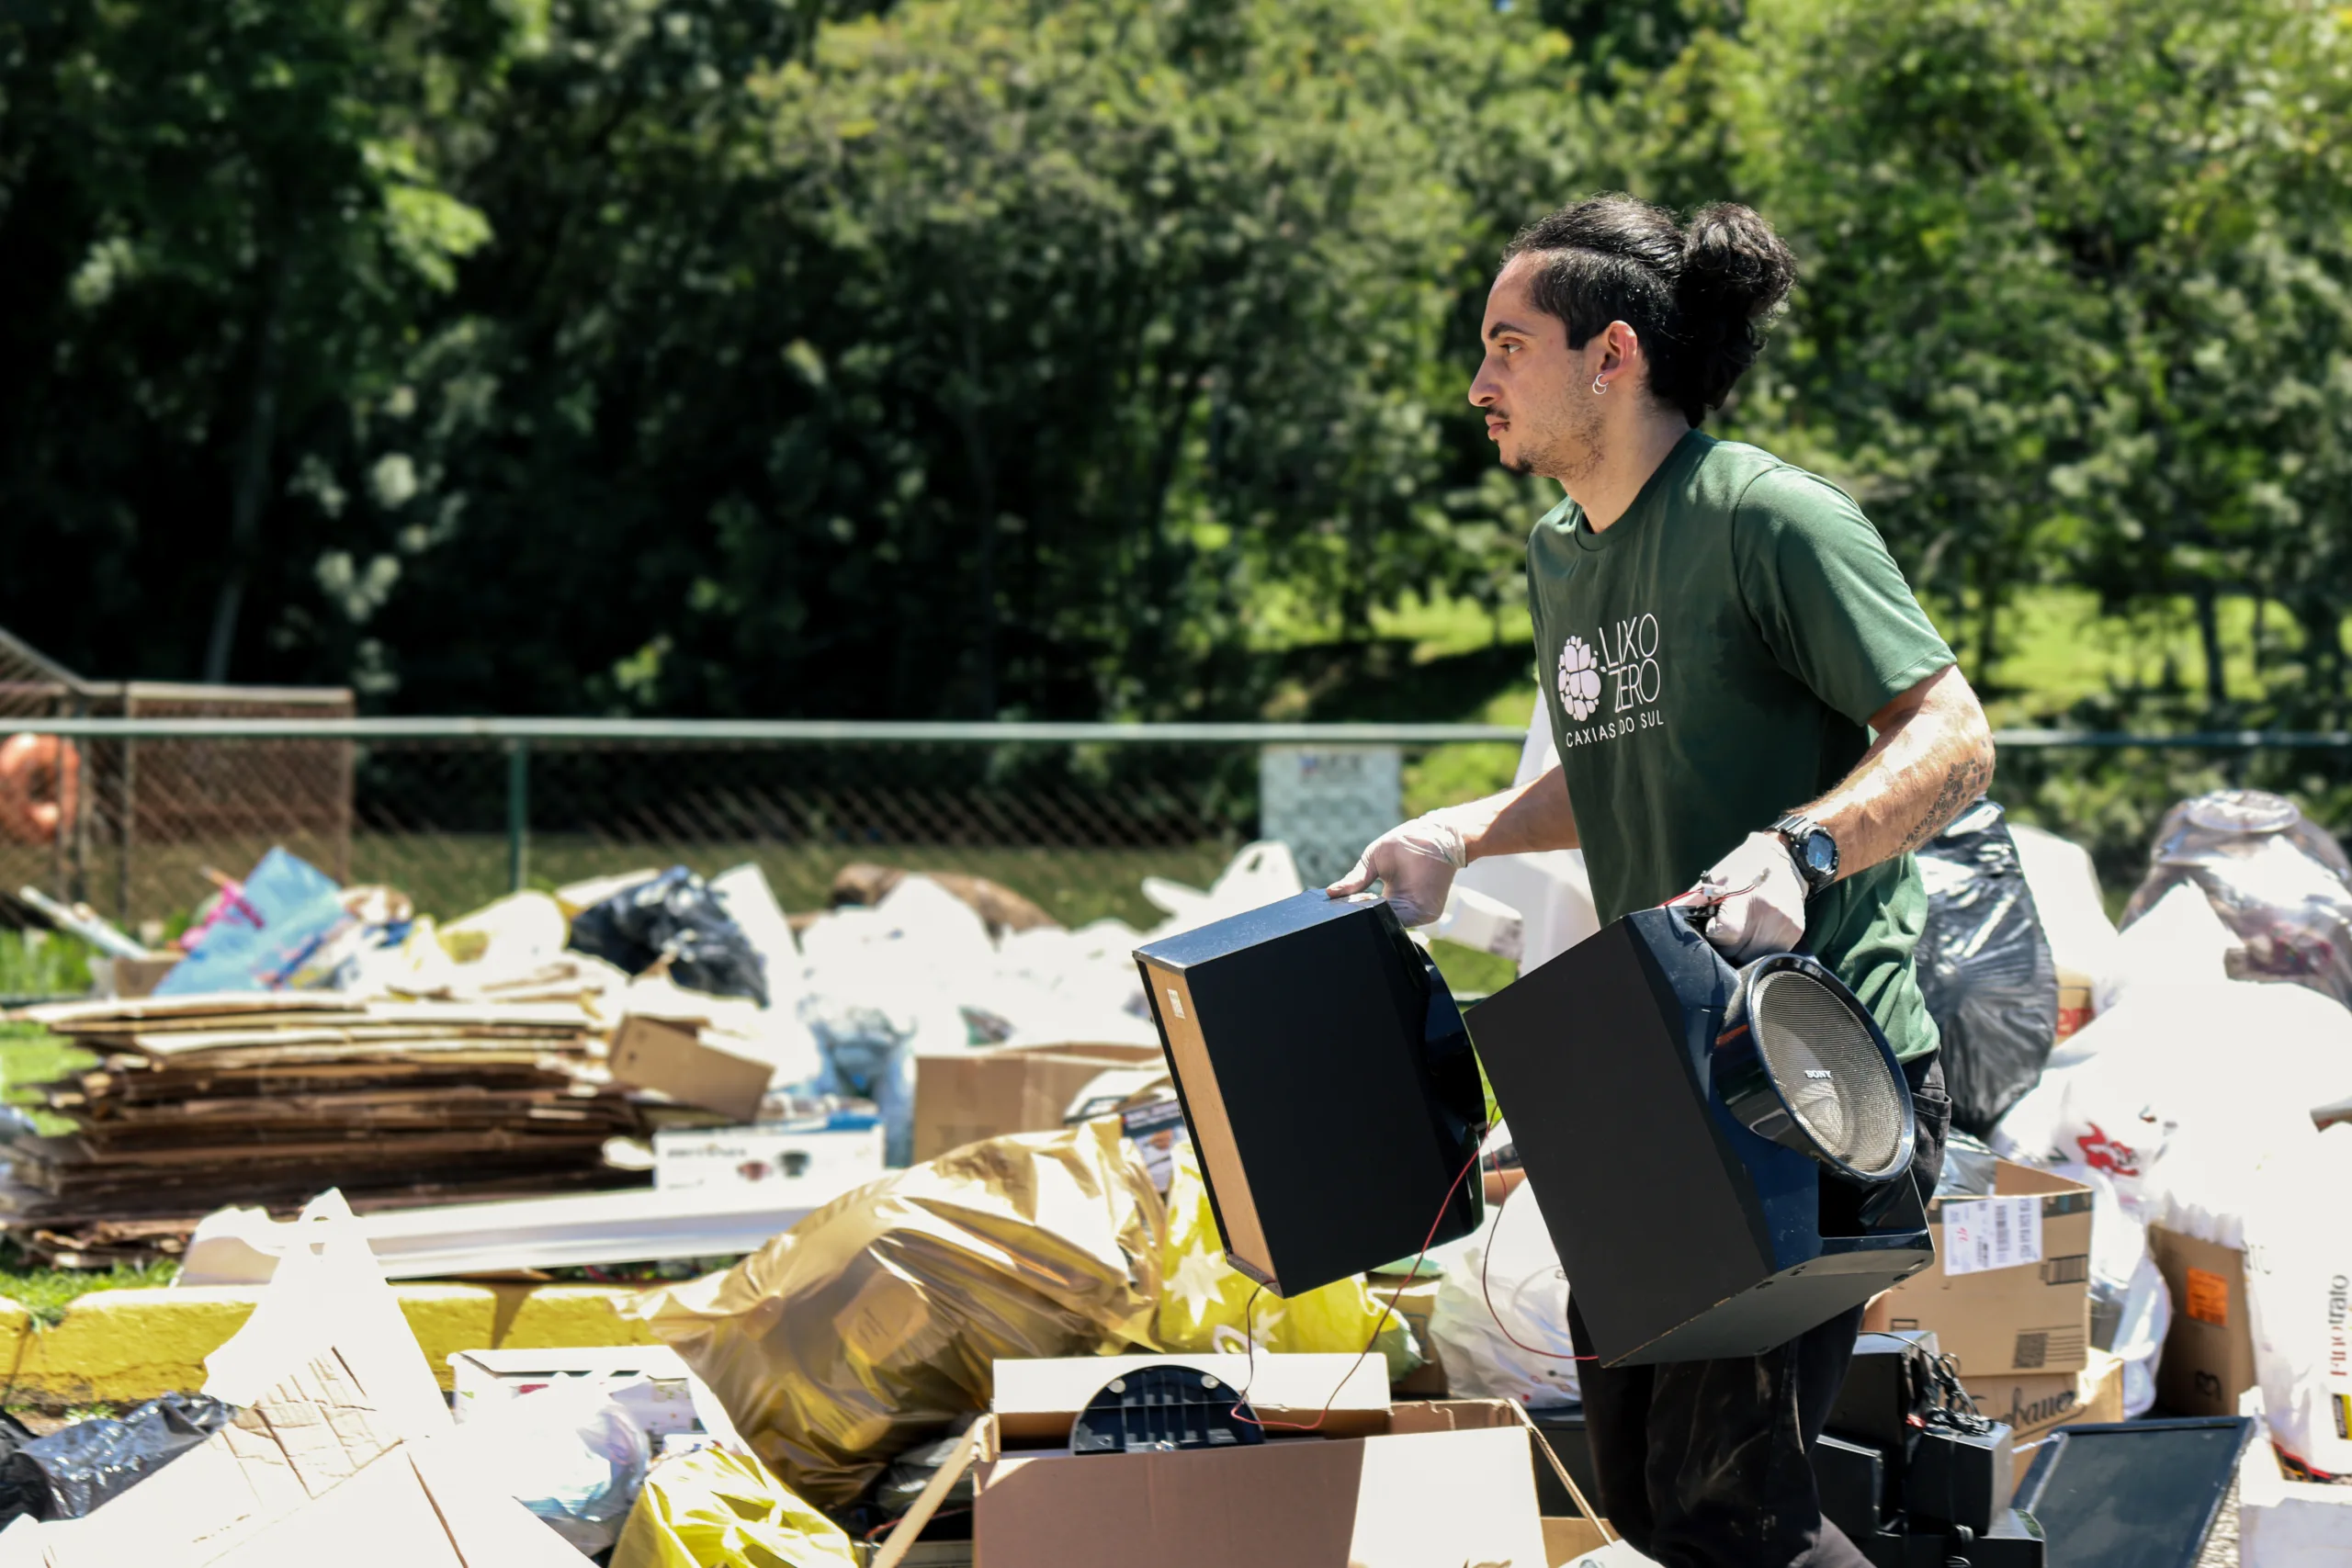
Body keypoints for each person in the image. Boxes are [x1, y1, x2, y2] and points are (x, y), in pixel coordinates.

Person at [1331, 194, 1992, 1568]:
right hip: (1646, 1066)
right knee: (1641, 1492)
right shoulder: (1562, 552)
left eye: (1508, 344)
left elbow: (1953, 737)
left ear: (1610, 355)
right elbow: (1618, 753)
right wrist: (1459, 833)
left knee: (1724, 1515)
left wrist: (1803, 848)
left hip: (1808, 1068)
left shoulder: (1768, 517)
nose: (1479, 383)